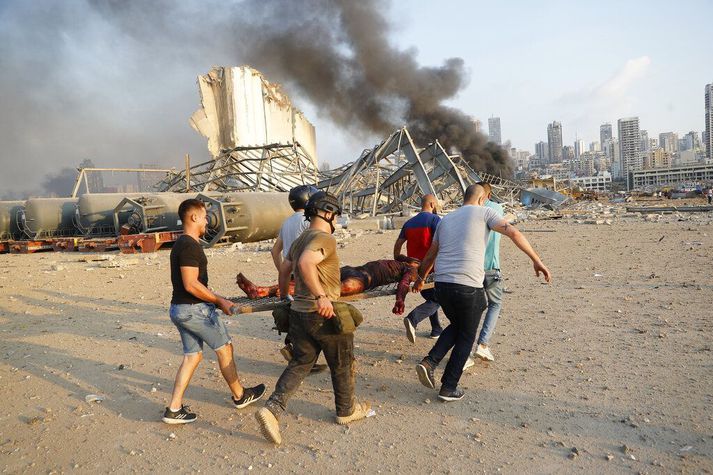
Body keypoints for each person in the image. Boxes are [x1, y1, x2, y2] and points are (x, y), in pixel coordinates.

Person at [412, 184, 551, 402]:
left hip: (442, 285)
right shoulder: (485, 211)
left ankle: (430, 362)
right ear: (483, 199)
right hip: (467, 285)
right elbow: (513, 233)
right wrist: (537, 260)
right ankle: (449, 386)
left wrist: (420, 279)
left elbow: (430, 255)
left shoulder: (446, 219)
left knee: (459, 325)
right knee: (467, 335)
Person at [255, 191, 370, 445]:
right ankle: (346, 411)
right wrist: (321, 296)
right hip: (323, 314)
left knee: (301, 362)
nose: (337, 221)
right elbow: (307, 263)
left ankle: (272, 409)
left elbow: (285, 269)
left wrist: (285, 296)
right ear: (327, 213)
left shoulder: (299, 239)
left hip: (299, 313)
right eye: (336, 216)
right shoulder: (324, 238)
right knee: (342, 362)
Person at [163, 199, 265, 424]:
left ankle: (173, 409)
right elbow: (191, 284)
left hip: (179, 309)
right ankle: (240, 395)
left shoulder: (181, 244)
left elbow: (192, 284)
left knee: (192, 357)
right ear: (193, 218)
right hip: (194, 310)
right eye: (205, 216)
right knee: (225, 347)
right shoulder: (189, 245)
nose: (207, 221)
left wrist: (218, 299)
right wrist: (219, 300)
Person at [236, 255, 421, 314]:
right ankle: (287, 288)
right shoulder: (410, 267)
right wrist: (400, 300)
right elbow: (404, 283)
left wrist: (400, 298)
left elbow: (404, 281)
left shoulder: (407, 266)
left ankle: (261, 291)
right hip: (363, 276)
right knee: (344, 287)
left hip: (353, 270)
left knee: (318, 279)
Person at [393, 194, 443, 343]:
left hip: (413, 270)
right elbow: (439, 246)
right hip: (431, 269)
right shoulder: (435, 221)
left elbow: (397, 248)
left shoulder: (409, 223)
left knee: (430, 298)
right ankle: (413, 319)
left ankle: (436, 329)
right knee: (437, 300)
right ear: (432, 204)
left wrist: (403, 260)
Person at [473, 183, 503, 362]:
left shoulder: (468, 211)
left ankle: (467, 347)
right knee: (495, 304)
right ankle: (483, 344)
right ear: (488, 194)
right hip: (491, 268)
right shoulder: (496, 208)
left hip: (471, 269)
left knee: (473, 308)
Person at [270, 185, 317, 272]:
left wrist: (283, 272)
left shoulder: (286, 222)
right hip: (307, 274)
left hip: (291, 274)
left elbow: (275, 251)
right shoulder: (310, 220)